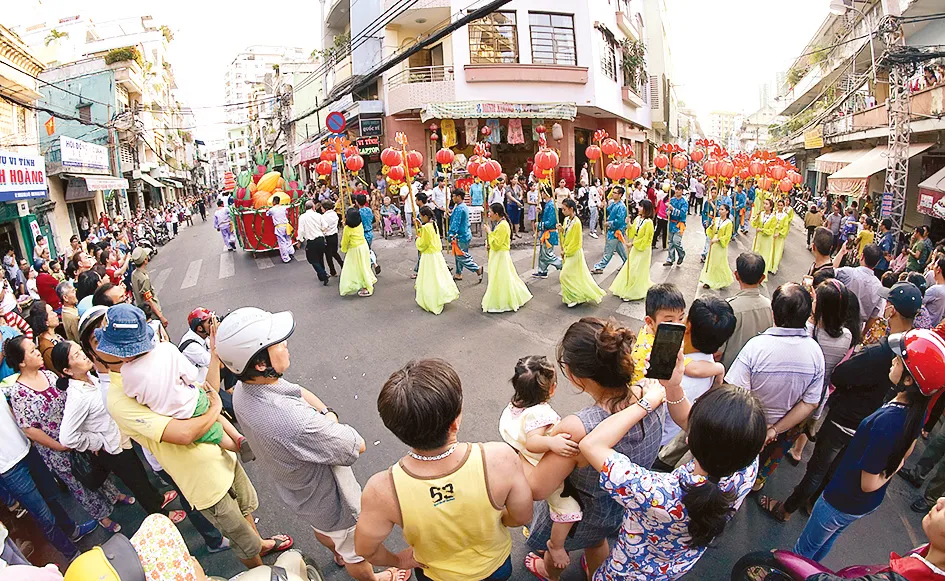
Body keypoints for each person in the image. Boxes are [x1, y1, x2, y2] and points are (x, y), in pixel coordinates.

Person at [214, 308, 408, 581]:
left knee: (326, 532)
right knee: (357, 553)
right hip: (331, 500)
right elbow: (356, 444)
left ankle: (338, 551)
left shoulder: (245, 392)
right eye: (278, 343)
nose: (286, 345)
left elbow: (295, 392)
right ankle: (375, 578)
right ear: (260, 363)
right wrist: (330, 416)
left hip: (300, 493)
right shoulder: (295, 422)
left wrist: (323, 412)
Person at [98, 311, 292, 569]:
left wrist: (213, 356)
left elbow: (206, 387)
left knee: (246, 509)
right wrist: (213, 408)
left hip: (223, 456)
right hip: (203, 482)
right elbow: (186, 433)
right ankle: (260, 572)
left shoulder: (141, 374)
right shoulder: (118, 398)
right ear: (96, 353)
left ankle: (261, 545)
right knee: (241, 539)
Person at [521, 318, 690, 580]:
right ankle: (595, 571)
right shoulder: (652, 392)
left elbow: (538, 488)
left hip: (579, 516)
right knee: (598, 542)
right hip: (620, 510)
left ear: (576, 377)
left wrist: (518, 453)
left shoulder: (578, 428)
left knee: (557, 549)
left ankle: (547, 571)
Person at [355, 359, 533, 581]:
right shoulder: (500, 459)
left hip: (436, 575)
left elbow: (365, 549)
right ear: (455, 422)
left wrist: (399, 561)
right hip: (494, 567)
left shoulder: (382, 489)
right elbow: (522, 516)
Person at [582, 380, 765, 581]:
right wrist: (674, 385)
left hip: (625, 572)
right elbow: (718, 435)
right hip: (673, 568)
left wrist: (646, 404)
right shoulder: (747, 469)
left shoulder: (655, 492)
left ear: (689, 439)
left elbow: (592, 444)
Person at [794, 329, 945, 561]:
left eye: (899, 360)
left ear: (908, 380)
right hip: (860, 505)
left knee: (803, 550)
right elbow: (909, 448)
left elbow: (869, 482)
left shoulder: (887, 423)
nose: (893, 361)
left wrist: (893, 467)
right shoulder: (915, 410)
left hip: (842, 499)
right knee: (824, 543)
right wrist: (898, 461)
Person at [94, 303, 251, 460]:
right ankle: (239, 439)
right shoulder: (167, 349)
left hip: (177, 415)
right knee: (217, 416)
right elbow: (191, 376)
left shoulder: (126, 374)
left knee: (215, 433)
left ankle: (237, 446)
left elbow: (135, 395)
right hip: (196, 399)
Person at [52, 340, 185, 524]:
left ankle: (158, 499)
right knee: (136, 482)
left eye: (80, 351)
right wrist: (96, 442)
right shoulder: (77, 397)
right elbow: (67, 437)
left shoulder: (91, 378)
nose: (83, 355)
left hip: (121, 435)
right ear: (67, 370)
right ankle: (160, 516)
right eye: (76, 356)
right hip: (112, 447)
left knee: (139, 472)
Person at [4, 335, 125, 533]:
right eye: (32, 351)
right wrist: (59, 445)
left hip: (78, 435)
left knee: (97, 466)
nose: (37, 352)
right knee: (80, 482)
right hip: (57, 449)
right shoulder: (19, 393)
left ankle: (114, 495)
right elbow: (29, 429)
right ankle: (102, 516)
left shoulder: (49, 376)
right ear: (22, 362)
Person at [725, 283, 825, 491]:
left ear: (773, 313)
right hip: (782, 429)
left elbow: (735, 392)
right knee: (765, 463)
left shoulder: (756, 347)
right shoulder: (816, 354)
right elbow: (811, 402)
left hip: (746, 427)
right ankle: (755, 483)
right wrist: (774, 430)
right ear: (807, 316)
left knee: (733, 468)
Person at [498, 356, 582, 569]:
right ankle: (556, 544)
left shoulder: (514, 408)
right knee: (568, 509)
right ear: (551, 389)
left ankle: (532, 525)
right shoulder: (540, 413)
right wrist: (552, 442)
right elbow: (534, 442)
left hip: (521, 460)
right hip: (539, 464)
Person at [654, 297, 738, 470]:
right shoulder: (711, 368)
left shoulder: (670, 375)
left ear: (688, 326)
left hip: (660, 444)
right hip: (674, 439)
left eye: (683, 317)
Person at [719, 252, 774, 370]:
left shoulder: (728, 308)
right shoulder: (769, 307)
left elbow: (718, 351)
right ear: (762, 278)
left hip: (730, 373)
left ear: (736, 275)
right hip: (756, 372)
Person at [630, 283, 688, 385]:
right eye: (669, 321)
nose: (677, 325)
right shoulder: (659, 347)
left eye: (681, 318)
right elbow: (691, 368)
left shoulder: (650, 329)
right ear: (650, 321)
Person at [481, 204, 532, 313]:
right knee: (502, 277)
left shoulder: (503, 225)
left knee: (502, 277)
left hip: (500, 255)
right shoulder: (500, 224)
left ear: (497, 214)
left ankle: (503, 300)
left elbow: (497, 244)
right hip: (498, 255)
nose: (489, 214)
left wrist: (489, 232)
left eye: (490, 212)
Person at [558, 198, 605, 308]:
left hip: (574, 253)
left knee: (564, 275)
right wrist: (561, 230)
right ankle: (571, 296)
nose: (562, 211)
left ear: (571, 209)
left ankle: (576, 297)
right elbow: (565, 235)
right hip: (567, 251)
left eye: (564, 209)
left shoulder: (577, 223)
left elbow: (576, 242)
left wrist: (566, 251)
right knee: (572, 275)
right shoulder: (566, 220)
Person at [414, 206, 460, 315]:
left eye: (421, 216)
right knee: (438, 276)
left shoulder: (426, 228)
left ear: (425, 216)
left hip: (429, 255)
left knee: (430, 277)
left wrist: (418, 239)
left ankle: (432, 298)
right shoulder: (433, 224)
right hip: (436, 254)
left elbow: (423, 243)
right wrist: (420, 226)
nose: (420, 218)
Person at [610, 198, 654, 301]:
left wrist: (633, 243)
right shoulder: (637, 219)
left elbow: (647, 239)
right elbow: (632, 233)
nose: (638, 208)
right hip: (635, 248)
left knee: (637, 270)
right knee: (631, 268)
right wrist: (629, 225)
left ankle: (633, 292)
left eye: (641, 206)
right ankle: (627, 288)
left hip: (643, 250)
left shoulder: (649, 223)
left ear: (646, 209)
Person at [835, 243, 883, 329]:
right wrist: (862, 336)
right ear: (877, 263)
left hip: (838, 321)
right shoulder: (879, 286)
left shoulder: (848, 272)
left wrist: (842, 252)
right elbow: (874, 316)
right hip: (857, 327)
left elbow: (829, 272)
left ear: (862, 256)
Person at [448, 189, 483, 283]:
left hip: (461, 235)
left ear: (458, 196)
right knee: (459, 255)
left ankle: (477, 268)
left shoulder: (459, 208)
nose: (452, 198)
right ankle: (458, 273)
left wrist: (450, 234)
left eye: (454, 196)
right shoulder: (462, 206)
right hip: (466, 233)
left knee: (460, 255)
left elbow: (456, 223)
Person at [339, 208, 377, 298]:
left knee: (355, 268)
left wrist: (343, 250)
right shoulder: (359, 224)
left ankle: (366, 287)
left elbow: (344, 242)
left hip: (354, 250)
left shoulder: (347, 229)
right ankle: (365, 284)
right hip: (363, 246)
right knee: (364, 266)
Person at [699, 203, 735, 290]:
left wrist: (718, 240)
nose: (720, 211)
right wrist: (711, 227)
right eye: (720, 209)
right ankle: (708, 280)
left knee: (719, 262)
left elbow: (727, 236)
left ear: (727, 211)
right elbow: (711, 232)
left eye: (722, 209)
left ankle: (722, 280)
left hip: (720, 244)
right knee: (711, 261)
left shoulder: (729, 223)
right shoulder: (716, 219)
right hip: (713, 242)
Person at [592, 188, 628, 273]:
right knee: (620, 249)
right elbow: (607, 212)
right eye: (613, 192)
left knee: (608, 251)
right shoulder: (613, 204)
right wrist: (603, 207)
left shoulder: (621, 207)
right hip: (613, 231)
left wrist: (609, 223)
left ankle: (600, 267)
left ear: (620, 195)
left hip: (616, 231)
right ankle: (627, 263)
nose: (613, 194)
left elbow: (620, 221)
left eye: (615, 193)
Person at [130, 247, 168, 328]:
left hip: (143, 310)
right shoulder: (144, 278)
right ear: (145, 260)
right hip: (152, 313)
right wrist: (161, 316)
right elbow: (149, 300)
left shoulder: (134, 274)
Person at [297, 200, 329, 286]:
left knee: (312, 259)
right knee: (320, 257)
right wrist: (323, 232)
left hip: (311, 241)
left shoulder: (302, 217)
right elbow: (325, 226)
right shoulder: (318, 215)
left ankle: (323, 273)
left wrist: (299, 241)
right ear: (313, 207)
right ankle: (321, 275)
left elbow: (301, 230)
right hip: (320, 239)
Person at [535, 187, 564, 278]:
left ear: (545, 193)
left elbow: (550, 222)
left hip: (549, 233)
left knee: (547, 255)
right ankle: (542, 271)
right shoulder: (548, 204)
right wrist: (540, 213)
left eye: (542, 192)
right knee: (543, 254)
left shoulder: (551, 205)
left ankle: (562, 264)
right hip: (546, 233)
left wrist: (539, 225)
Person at [179, 307, 214, 383]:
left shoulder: (201, 336)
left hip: (203, 374)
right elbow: (214, 364)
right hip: (196, 386)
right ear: (200, 328)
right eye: (210, 322)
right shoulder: (192, 346)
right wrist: (215, 335)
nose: (213, 324)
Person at [26, 300, 63, 371]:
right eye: (51, 312)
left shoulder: (54, 335)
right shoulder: (47, 348)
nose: (55, 314)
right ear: (45, 322)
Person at [752, 198, 778, 274]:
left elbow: (771, 231)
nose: (764, 206)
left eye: (766, 204)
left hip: (766, 239)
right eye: (764, 203)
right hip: (759, 237)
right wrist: (756, 217)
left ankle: (762, 273)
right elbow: (754, 224)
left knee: (764, 256)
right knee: (755, 254)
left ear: (771, 207)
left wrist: (762, 230)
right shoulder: (761, 214)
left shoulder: (773, 218)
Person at [665, 184, 688, 267]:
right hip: (671, 223)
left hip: (679, 224)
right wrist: (667, 212)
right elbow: (667, 210)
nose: (677, 191)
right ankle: (670, 259)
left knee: (676, 242)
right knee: (670, 242)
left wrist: (673, 209)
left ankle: (681, 254)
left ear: (682, 191)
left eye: (679, 189)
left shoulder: (684, 202)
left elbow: (682, 214)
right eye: (676, 189)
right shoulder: (672, 200)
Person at [267, 196, 295, 264]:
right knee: (288, 240)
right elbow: (286, 213)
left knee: (282, 242)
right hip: (286, 225)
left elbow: (267, 214)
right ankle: (291, 252)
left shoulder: (272, 209)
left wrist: (268, 209)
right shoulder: (283, 207)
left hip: (279, 227)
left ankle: (286, 258)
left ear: (273, 202)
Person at [320, 200, 344, 277]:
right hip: (335, 235)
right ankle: (342, 265)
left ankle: (332, 271)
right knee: (335, 252)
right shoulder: (334, 214)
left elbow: (323, 227)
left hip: (327, 236)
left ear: (325, 208)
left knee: (328, 255)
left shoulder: (323, 217)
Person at [769, 198, 792, 275]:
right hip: (772, 233)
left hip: (779, 235)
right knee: (771, 249)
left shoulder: (785, 216)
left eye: (781, 205)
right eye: (778, 205)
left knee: (777, 251)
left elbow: (785, 227)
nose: (780, 206)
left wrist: (779, 233)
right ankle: (769, 266)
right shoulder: (774, 213)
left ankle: (774, 267)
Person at [924, 257, 945, 327]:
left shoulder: (934, 290)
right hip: (937, 328)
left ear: (938, 270)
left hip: (926, 327)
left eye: (935, 265)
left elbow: (918, 303)